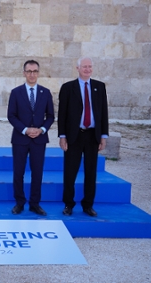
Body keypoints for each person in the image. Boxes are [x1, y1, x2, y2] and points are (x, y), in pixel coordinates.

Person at [58, 57, 109, 217]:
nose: (87, 69)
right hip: (74, 136)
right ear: (77, 68)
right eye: (84, 66)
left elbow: (103, 113)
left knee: (91, 172)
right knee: (70, 172)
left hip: (92, 135)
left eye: (90, 66)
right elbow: (62, 114)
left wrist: (104, 135)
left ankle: (88, 205)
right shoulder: (68, 88)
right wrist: (62, 136)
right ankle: (68, 204)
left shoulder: (99, 87)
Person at [7, 60, 54, 216]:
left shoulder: (45, 93)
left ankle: (35, 203)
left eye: (35, 71)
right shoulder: (16, 92)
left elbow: (50, 116)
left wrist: (41, 129)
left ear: (38, 73)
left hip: (39, 139)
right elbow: (11, 116)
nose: (32, 74)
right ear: (24, 73)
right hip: (20, 139)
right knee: (18, 172)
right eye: (29, 71)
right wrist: (25, 130)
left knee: (37, 172)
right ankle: (19, 202)